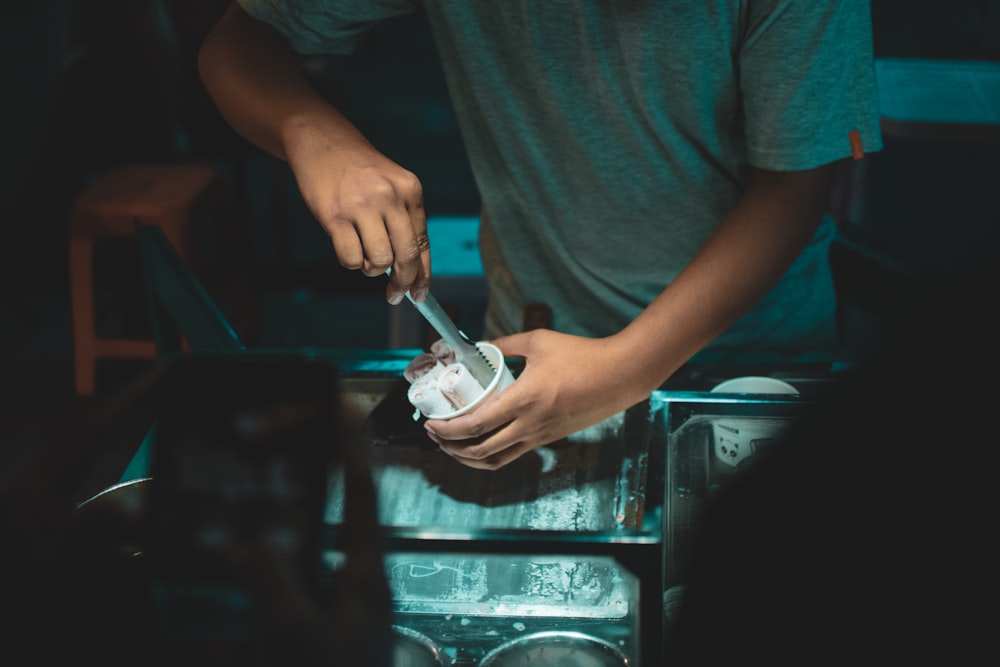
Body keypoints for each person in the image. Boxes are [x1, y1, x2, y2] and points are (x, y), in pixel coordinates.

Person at [198, 1, 883, 469]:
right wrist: (311, 131)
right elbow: (238, 43)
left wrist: (624, 368)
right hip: (535, 347)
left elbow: (794, 184)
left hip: (751, 365)